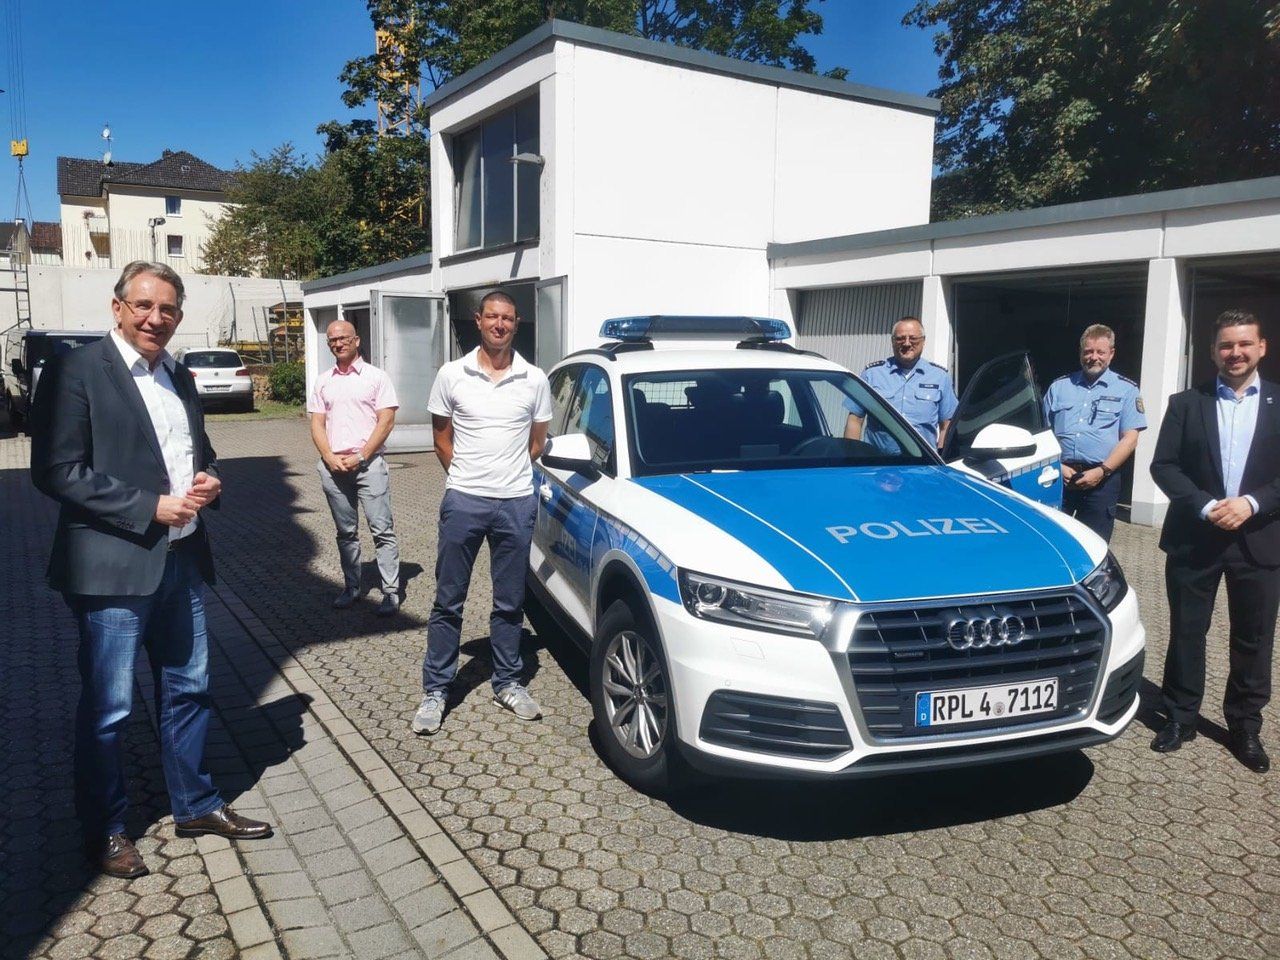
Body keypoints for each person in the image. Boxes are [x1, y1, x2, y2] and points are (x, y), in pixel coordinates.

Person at [29, 261, 271, 880]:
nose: (154, 318)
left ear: (179, 316)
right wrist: (149, 507)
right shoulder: (77, 369)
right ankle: (106, 829)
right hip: (113, 567)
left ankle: (195, 804)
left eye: (167, 309)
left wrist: (210, 478)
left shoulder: (179, 375)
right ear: (117, 308)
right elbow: (56, 470)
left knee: (189, 688)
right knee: (109, 707)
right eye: (143, 305)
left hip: (182, 558)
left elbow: (198, 451)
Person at [412, 290, 552, 735]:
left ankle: (507, 682)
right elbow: (441, 438)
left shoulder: (535, 379)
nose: (499, 324)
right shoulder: (452, 374)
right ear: (478, 320)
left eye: (507, 318)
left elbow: (537, 442)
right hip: (464, 502)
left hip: (516, 502)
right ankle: (436, 690)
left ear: (516, 323)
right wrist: (467, 478)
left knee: (510, 602)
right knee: (448, 599)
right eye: (492, 316)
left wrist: (507, 476)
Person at [1150, 309, 1280, 774]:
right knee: (1187, 631)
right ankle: (1180, 717)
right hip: (1196, 537)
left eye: (1244, 344)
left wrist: (1252, 503)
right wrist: (1206, 506)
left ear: (1261, 347)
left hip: (1260, 539)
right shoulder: (1186, 403)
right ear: (1212, 351)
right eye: (1226, 345)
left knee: (1253, 637)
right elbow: (1164, 466)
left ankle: (1244, 726)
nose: (1235, 353)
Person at [308, 320, 402, 616]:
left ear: (357, 340)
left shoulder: (376, 377)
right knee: (345, 532)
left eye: (343, 338)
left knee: (382, 530)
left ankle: (390, 591)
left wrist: (362, 455)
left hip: (369, 465)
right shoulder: (323, 381)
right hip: (334, 468)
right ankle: (352, 588)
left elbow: (386, 421)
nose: (337, 344)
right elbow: (317, 423)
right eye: (332, 340)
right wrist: (327, 456)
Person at [1042, 324, 1147, 541]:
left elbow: (1130, 439)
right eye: (1088, 351)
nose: (1094, 357)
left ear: (1111, 353)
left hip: (1102, 482)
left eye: (1100, 352)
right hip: (1059, 476)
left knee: (1094, 544)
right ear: (1080, 353)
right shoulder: (1059, 387)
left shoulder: (1127, 390)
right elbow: (1042, 433)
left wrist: (1102, 471)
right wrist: (1057, 466)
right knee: (1052, 540)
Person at [844, 316, 957, 450]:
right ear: (892, 341)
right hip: (878, 460)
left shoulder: (940, 377)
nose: (907, 343)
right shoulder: (872, 375)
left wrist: (941, 456)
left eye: (913, 338)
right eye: (900, 338)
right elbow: (855, 419)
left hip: (922, 461)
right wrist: (852, 455)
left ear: (923, 341)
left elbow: (946, 425)